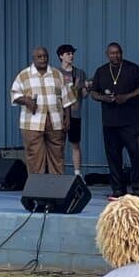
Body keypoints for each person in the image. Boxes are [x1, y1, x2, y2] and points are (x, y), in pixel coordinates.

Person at [88, 43, 139, 199]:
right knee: (113, 157)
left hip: (131, 121)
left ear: (122, 53)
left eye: (118, 53)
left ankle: (138, 189)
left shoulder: (133, 68)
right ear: (107, 54)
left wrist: (127, 96)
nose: (115, 56)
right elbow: (93, 93)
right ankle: (118, 189)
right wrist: (104, 98)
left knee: (135, 156)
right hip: (110, 122)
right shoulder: (101, 71)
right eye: (112, 53)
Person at [10, 46, 74, 175]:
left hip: (55, 121)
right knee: (35, 157)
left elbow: (66, 98)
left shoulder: (57, 74)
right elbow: (14, 95)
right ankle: (37, 185)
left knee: (57, 155)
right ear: (33, 58)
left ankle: (56, 185)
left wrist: (68, 117)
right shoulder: (23, 75)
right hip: (32, 123)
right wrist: (27, 101)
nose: (43, 59)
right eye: (39, 57)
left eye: (45, 56)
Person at [56, 43, 87, 178]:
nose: (71, 56)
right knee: (58, 145)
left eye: (72, 53)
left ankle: (77, 174)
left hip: (75, 113)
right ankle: (58, 173)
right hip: (58, 114)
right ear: (61, 56)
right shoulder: (55, 73)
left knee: (75, 144)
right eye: (68, 53)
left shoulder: (80, 73)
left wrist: (87, 88)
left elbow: (84, 95)